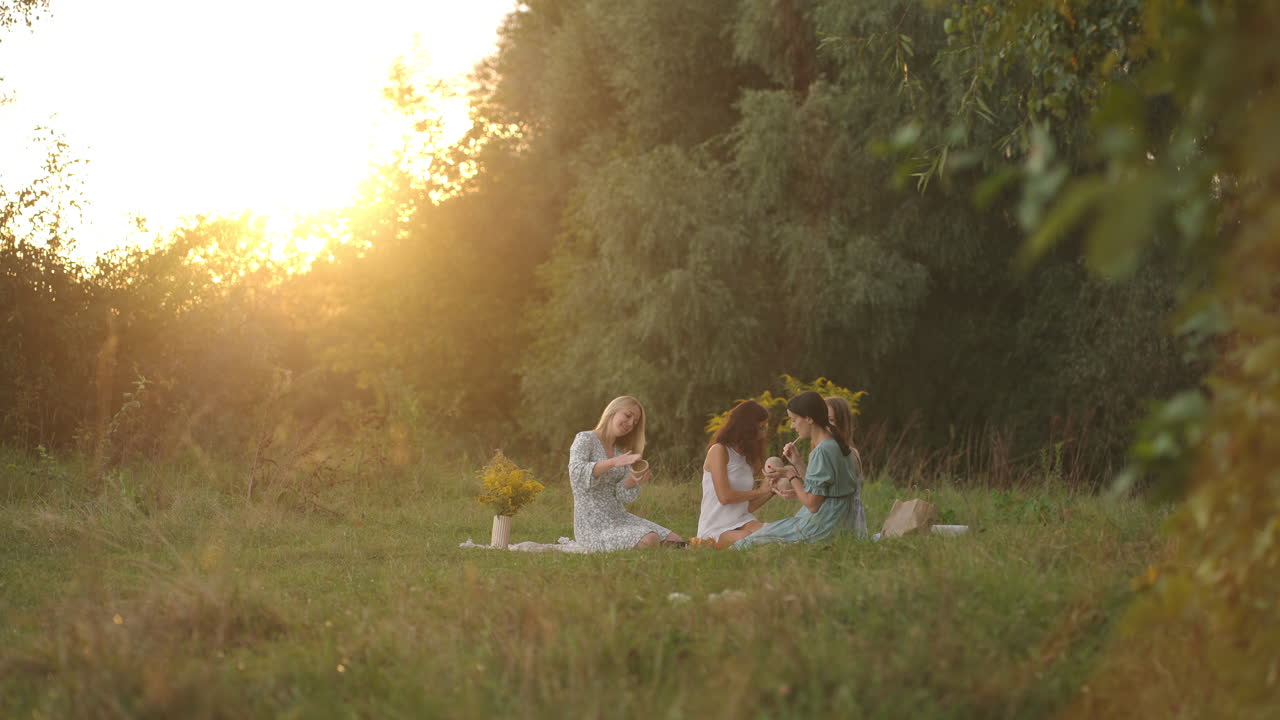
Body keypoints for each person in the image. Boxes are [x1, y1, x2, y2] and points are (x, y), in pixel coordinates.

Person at [732, 391, 868, 548]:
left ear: (809, 418)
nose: (792, 426)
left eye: (794, 420)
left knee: (748, 543)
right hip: (840, 522)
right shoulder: (835, 445)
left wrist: (790, 475)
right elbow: (825, 489)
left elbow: (812, 504)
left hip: (824, 526)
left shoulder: (822, 450)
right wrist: (796, 462)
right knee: (764, 534)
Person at [568, 396, 684, 551]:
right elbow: (576, 473)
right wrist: (613, 463)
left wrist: (633, 479)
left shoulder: (619, 451)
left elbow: (623, 496)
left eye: (635, 422)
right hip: (592, 525)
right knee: (651, 539)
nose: (630, 424)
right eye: (628, 416)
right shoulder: (585, 438)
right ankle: (650, 548)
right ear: (613, 411)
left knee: (676, 540)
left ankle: (660, 553)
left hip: (619, 517)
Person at [696, 400, 777, 549]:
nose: (763, 434)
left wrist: (771, 490)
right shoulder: (718, 450)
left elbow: (748, 506)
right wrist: (760, 491)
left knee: (776, 533)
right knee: (748, 539)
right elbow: (725, 497)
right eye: (760, 428)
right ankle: (709, 544)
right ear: (746, 428)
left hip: (743, 521)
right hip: (716, 527)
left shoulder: (746, 458)